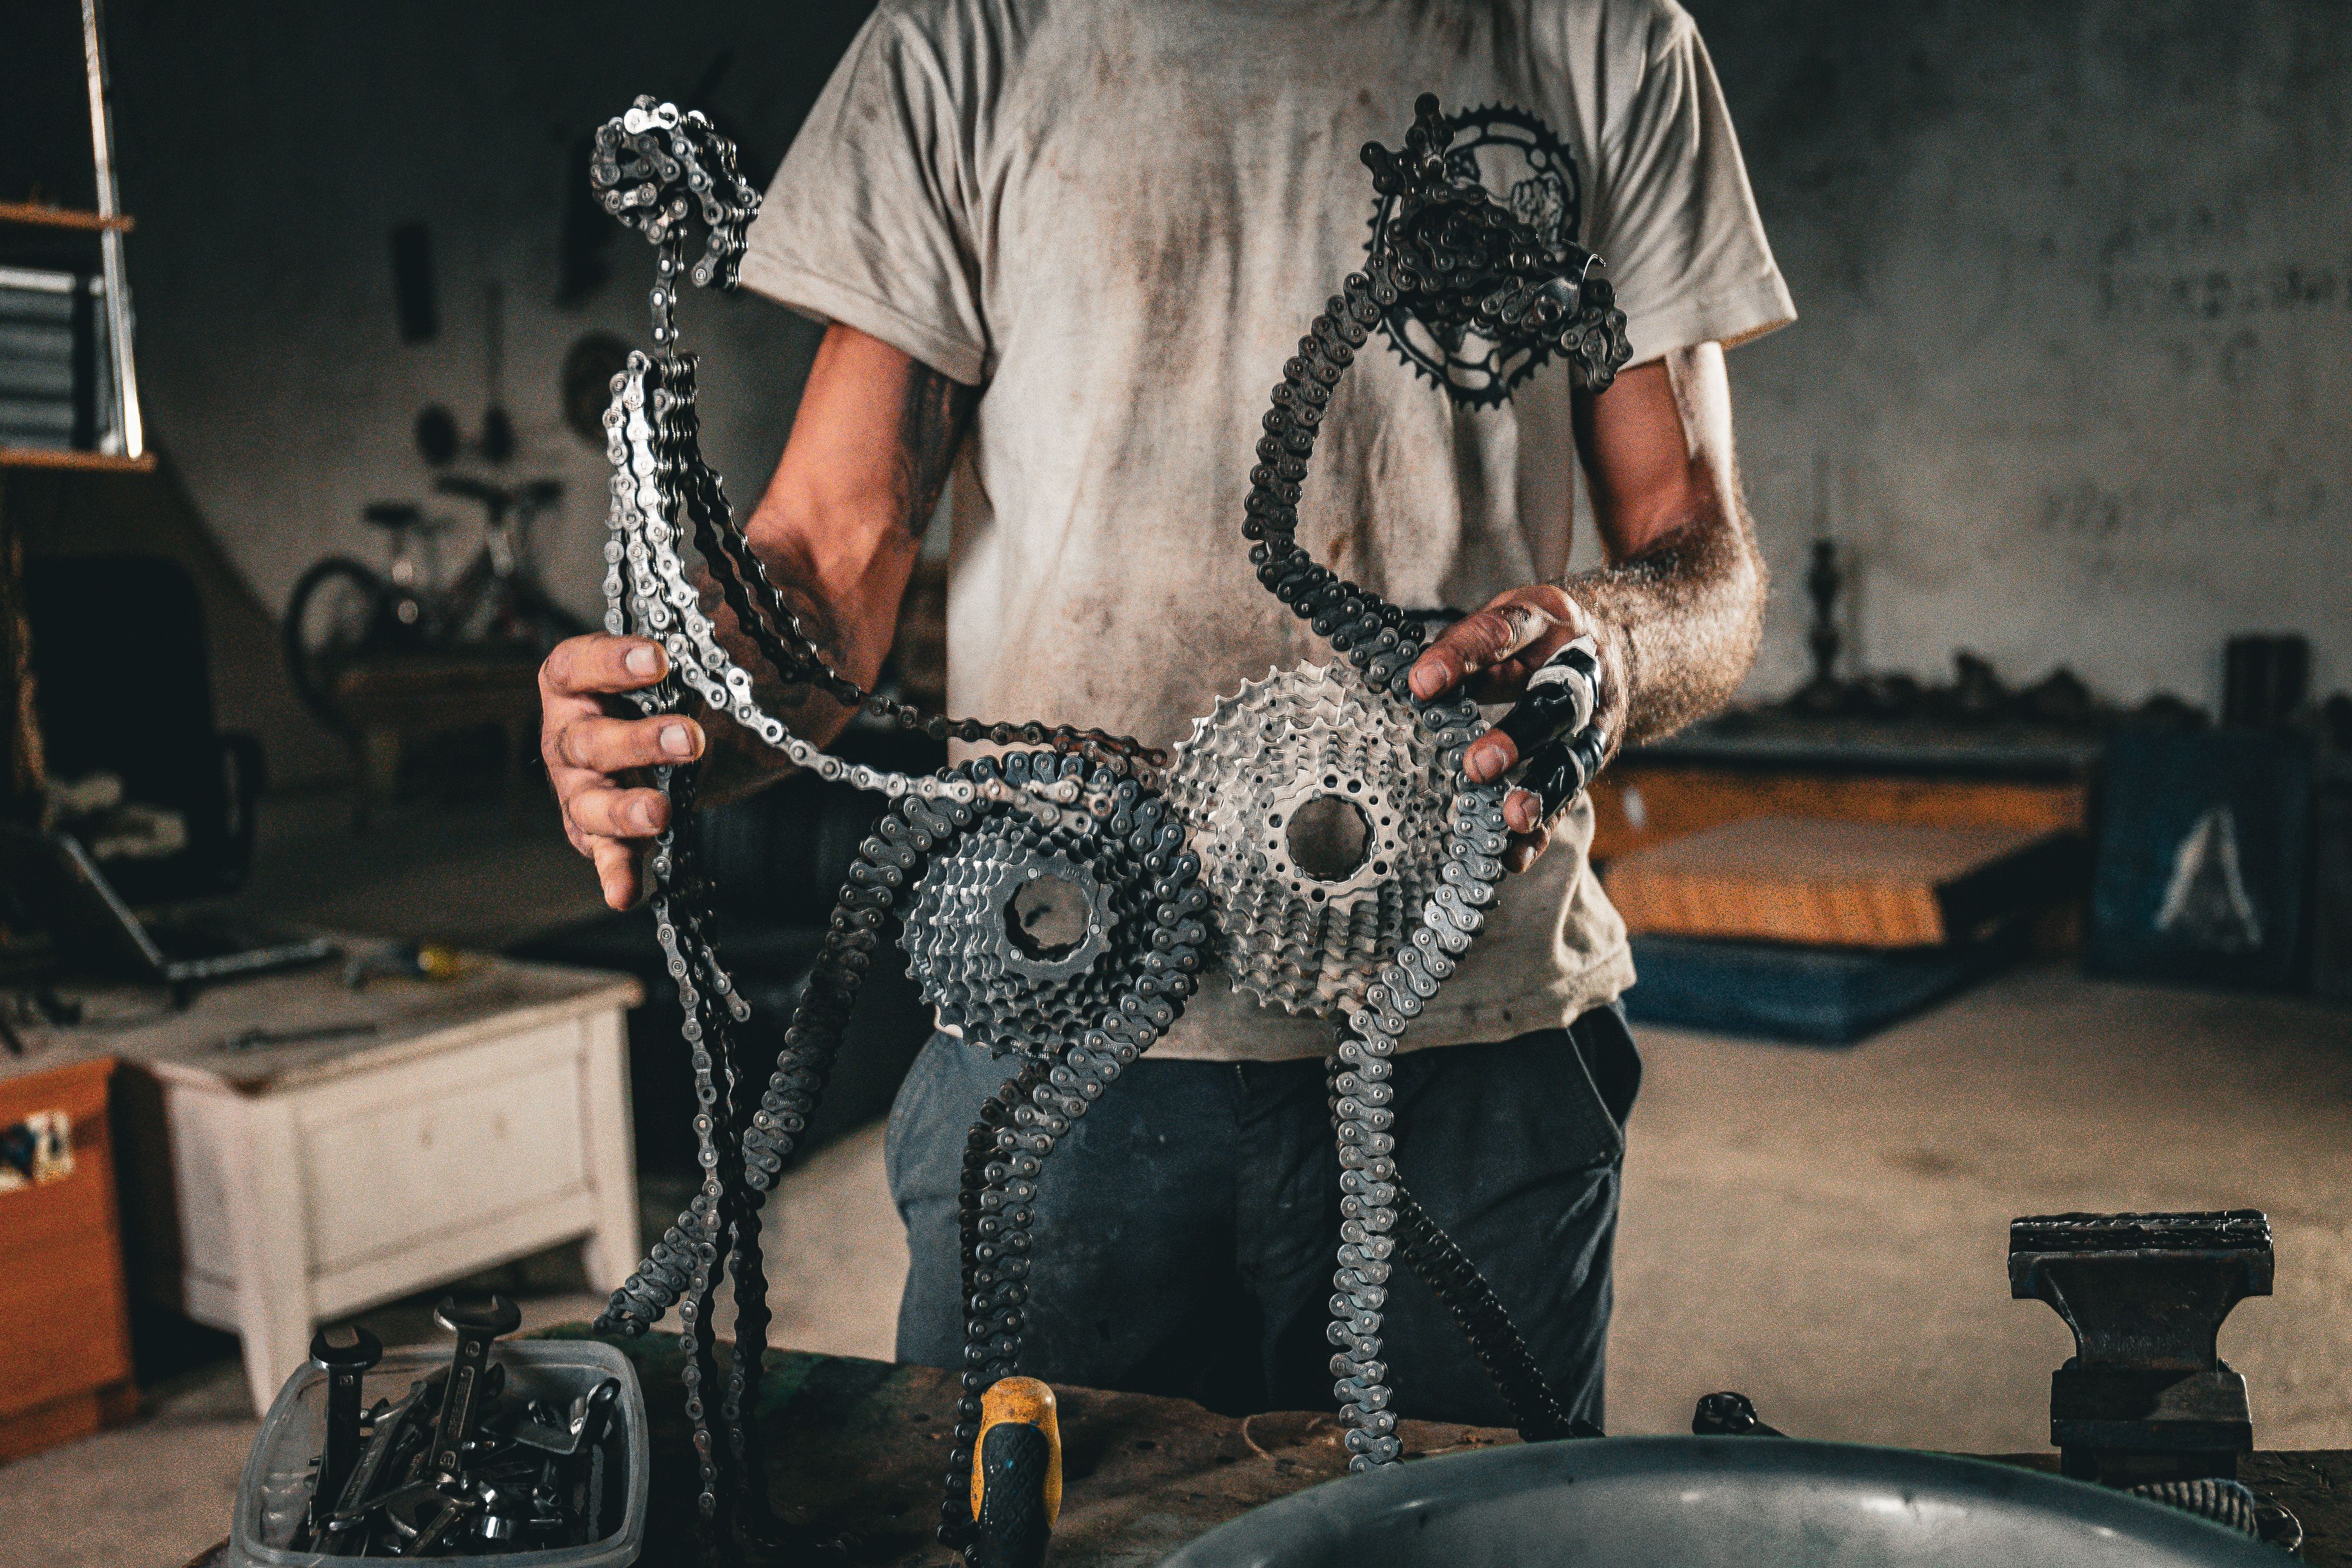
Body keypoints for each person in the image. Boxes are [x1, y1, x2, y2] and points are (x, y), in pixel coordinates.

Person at [538, 0, 1790, 1429]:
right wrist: (690, 705)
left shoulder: (1601, 44)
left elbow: (1694, 550)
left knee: (1459, 1525)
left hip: (1472, 1025)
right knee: (1033, 1518)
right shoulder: (963, 44)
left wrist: (1611, 646)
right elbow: (828, 557)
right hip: (1055, 1027)